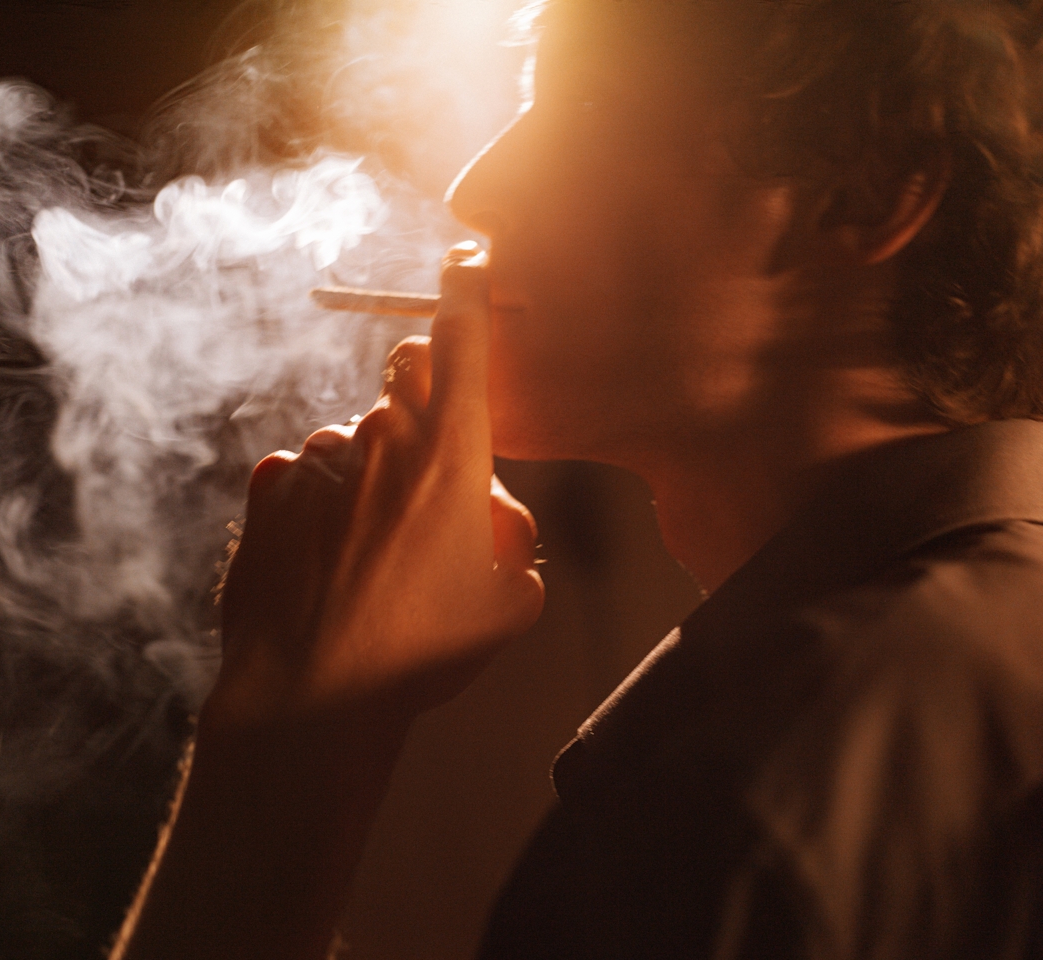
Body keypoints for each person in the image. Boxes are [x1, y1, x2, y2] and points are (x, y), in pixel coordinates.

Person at [110, 0, 1043, 958]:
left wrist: (291, 729)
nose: (479, 187)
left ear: (869, 194)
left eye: (589, 106)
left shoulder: (752, 785)